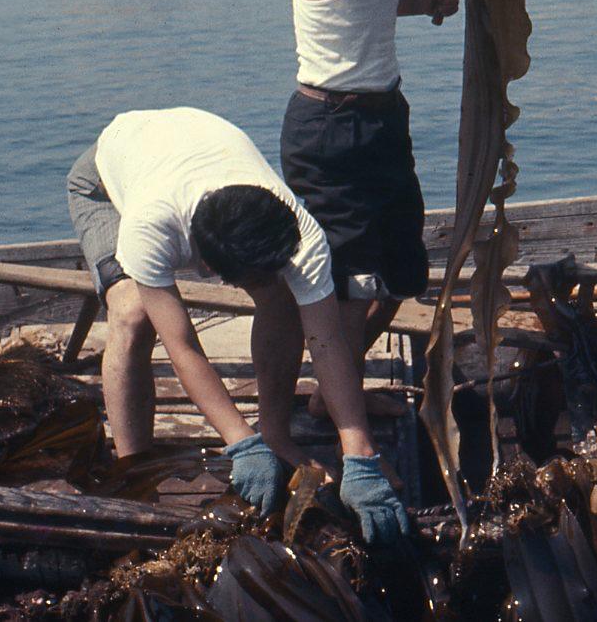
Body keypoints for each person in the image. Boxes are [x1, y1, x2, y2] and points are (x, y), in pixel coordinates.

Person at [66, 107, 410, 543]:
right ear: (210, 267)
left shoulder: (297, 231)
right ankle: (134, 477)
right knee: (133, 316)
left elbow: (328, 342)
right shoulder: (150, 227)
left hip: (187, 152)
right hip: (104, 181)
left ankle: (275, 434)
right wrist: (238, 442)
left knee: (282, 295)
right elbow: (183, 346)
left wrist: (359, 454)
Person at [280, 0, 458, 416]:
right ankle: (337, 414)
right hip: (329, 128)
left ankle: (335, 392)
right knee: (354, 287)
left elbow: (361, 3)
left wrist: (423, 0)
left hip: (382, 122)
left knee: (404, 275)